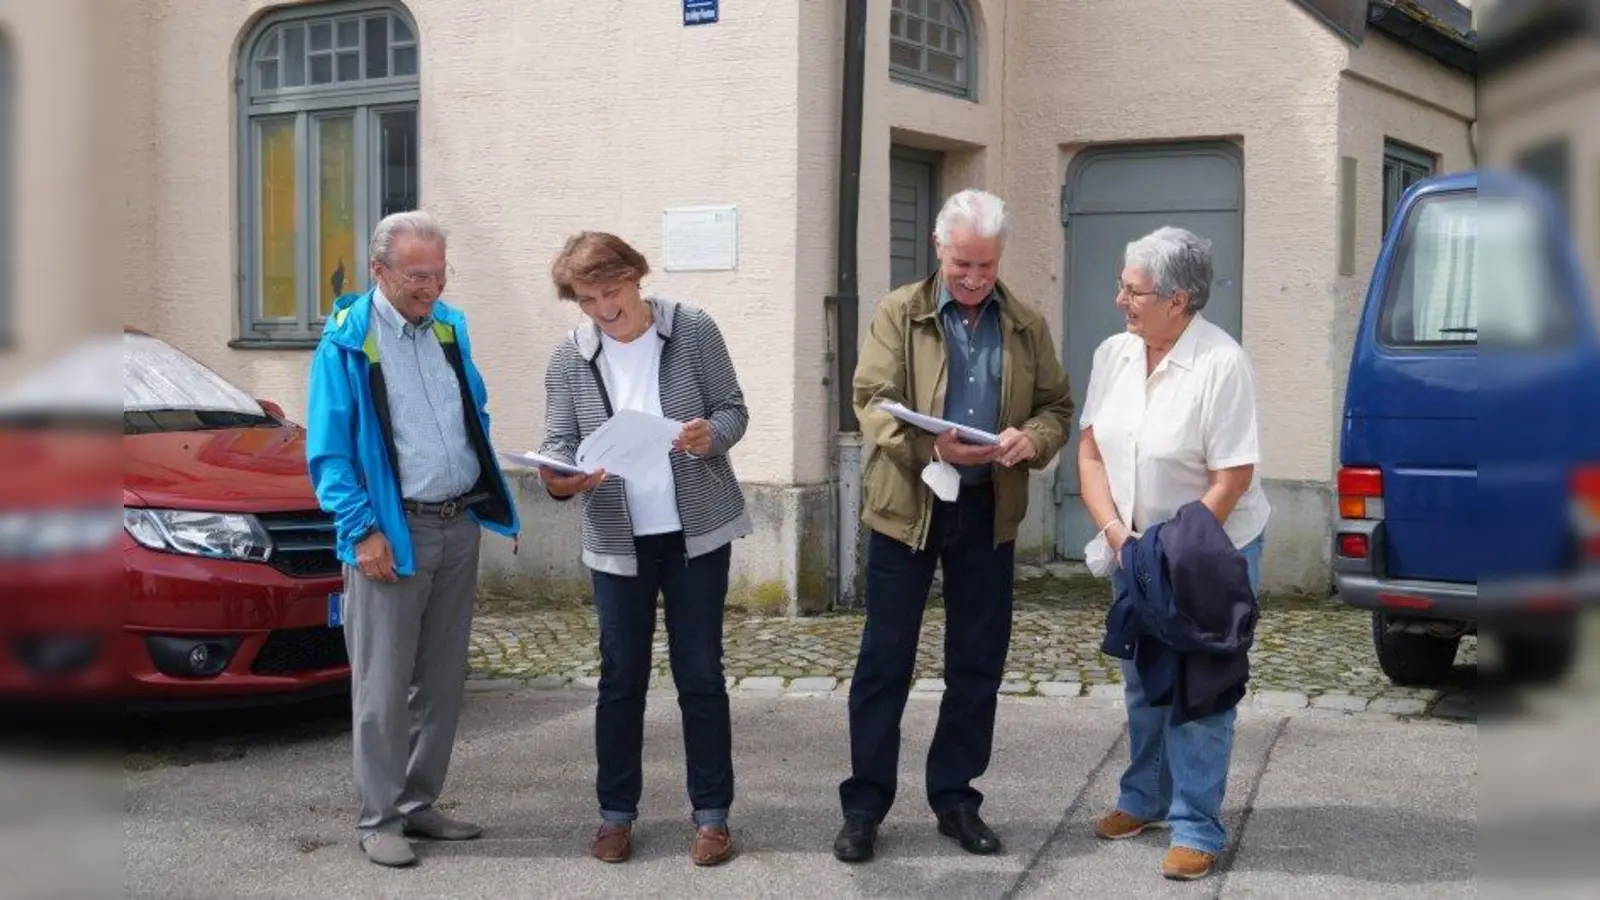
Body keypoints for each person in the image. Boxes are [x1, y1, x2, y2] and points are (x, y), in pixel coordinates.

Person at [835, 189, 1075, 863]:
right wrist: (932, 447)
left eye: (986, 267)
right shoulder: (898, 311)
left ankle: (956, 798)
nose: (973, 279)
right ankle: (863, 807)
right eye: (963, 264)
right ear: (940, 248)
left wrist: (1033, 440)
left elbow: (1057, 405)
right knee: (885, 661)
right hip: (907, 504)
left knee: (976, 662)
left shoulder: (1024, 323)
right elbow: (871, 402)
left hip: (986, 508)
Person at [306, 210, 521, 868]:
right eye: (416, 277)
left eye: (439, 273)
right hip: (391, 532)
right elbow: (330, 454)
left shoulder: (450, 329)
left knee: (443, 679)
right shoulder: (346, 342)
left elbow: (471, 415)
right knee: (382, 684)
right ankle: (378, 818)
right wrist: (362, 530)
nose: (431, 288)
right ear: (379, 272)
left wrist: (490, 495)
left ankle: (419, 802)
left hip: (457, 524)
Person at [537, 231, 751, 867]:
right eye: (586, 299)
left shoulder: (693, 329)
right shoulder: (567, 358)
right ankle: (615, 815)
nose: (603, 308)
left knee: (701, 675)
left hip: (695, 535)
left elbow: (734, 410)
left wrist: (707, 435)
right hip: (616, 541)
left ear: (636, 277)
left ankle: (712, 816)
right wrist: (562, 478)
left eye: (612, 292)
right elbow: (556, 448)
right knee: (620, 678)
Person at [1075, 225, 1271, 881]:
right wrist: (1116, 535)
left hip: (1206, 554)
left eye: (1135, 291)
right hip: (1135, 550)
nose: (1120, 300)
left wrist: (1174, 551)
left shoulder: (1221, 364)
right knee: (1143, 683)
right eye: (1123, 286)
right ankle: (1144, 799)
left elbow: (1233, 476)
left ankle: (1197, 827)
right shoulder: (1115, 354)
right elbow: (1092, 451)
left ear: (1180, 300)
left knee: (1200, 691)